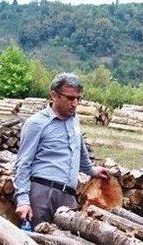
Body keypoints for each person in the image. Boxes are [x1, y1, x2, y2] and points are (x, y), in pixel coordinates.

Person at [14, 72, 109, 226]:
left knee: (69, 243)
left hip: (69, 196)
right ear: (54, 95)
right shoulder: (36, 123)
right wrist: (23, 200)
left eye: (78, 98)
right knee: (38, 242)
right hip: (42, 193)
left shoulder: (74, 121)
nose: (75, 103)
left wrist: (92, 170)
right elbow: (23, 163)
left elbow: (79, 150)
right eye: (70, 98)